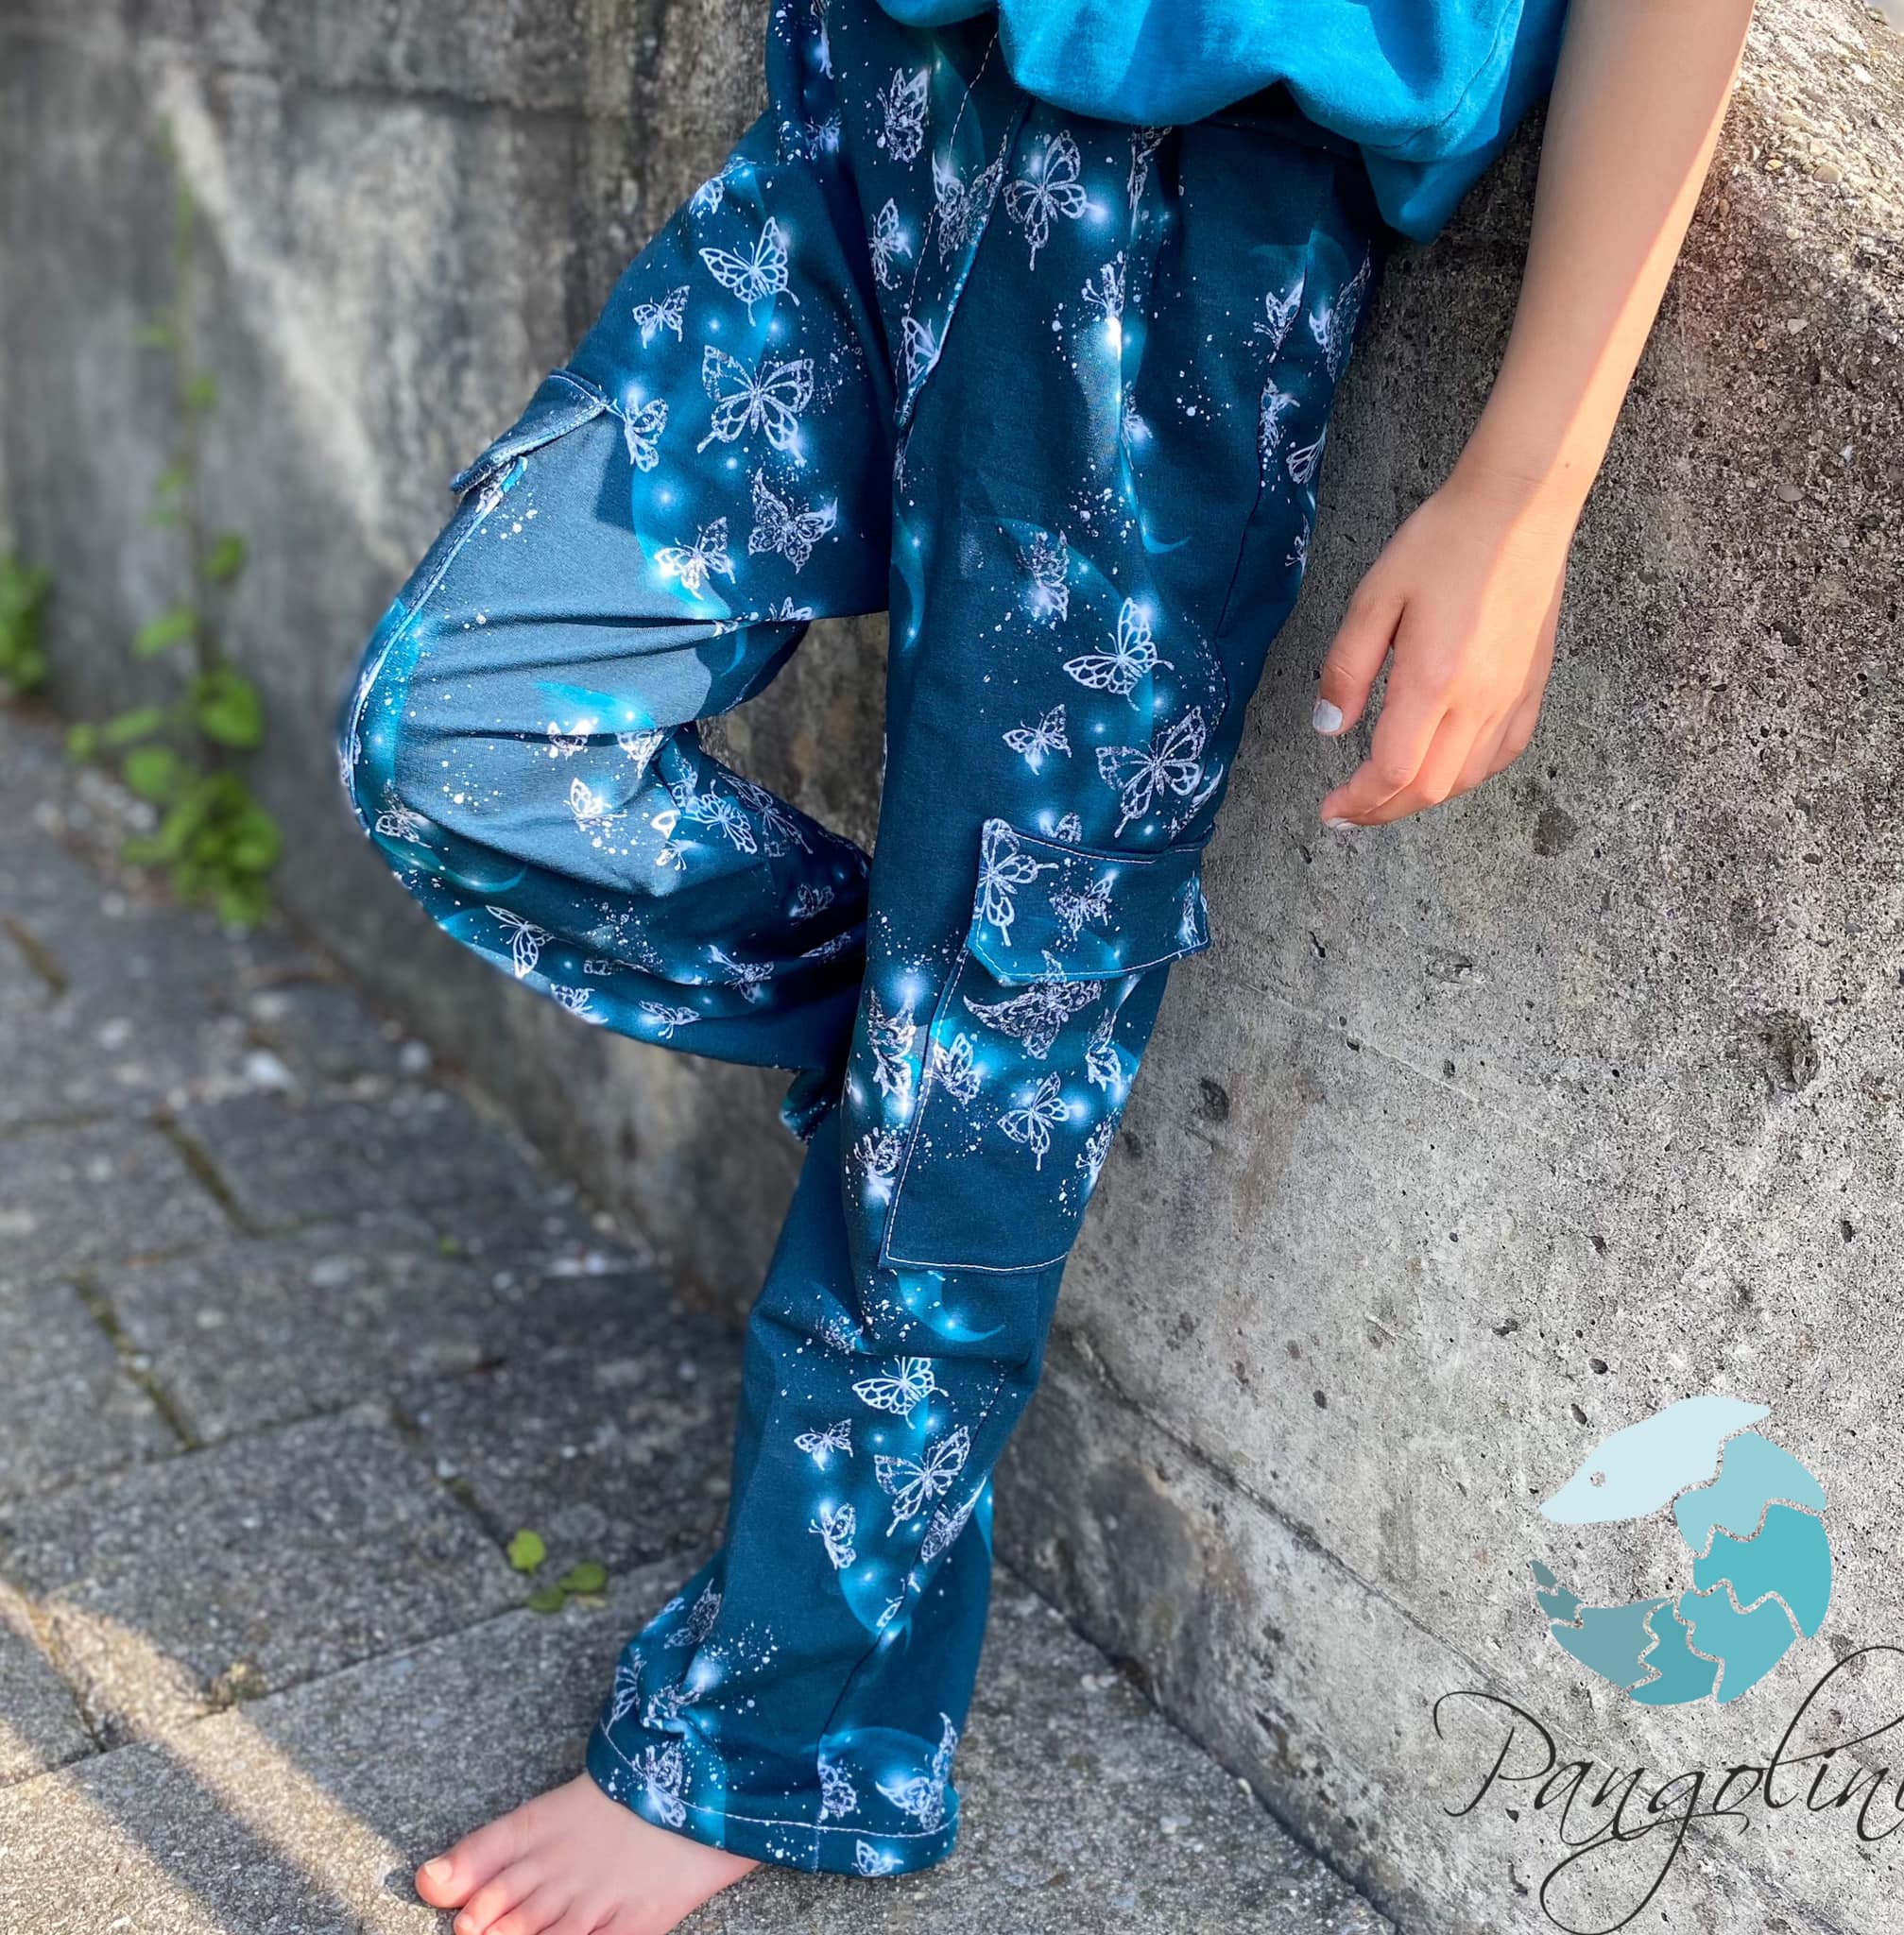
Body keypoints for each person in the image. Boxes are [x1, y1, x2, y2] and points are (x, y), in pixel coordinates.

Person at [335, 0, 1757, 1927]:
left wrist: (1523, 490)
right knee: (459, 734)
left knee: (987, 1021)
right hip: (874, 97)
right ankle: (946, 1091)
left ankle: (778, 1740)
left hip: (1185, 233)